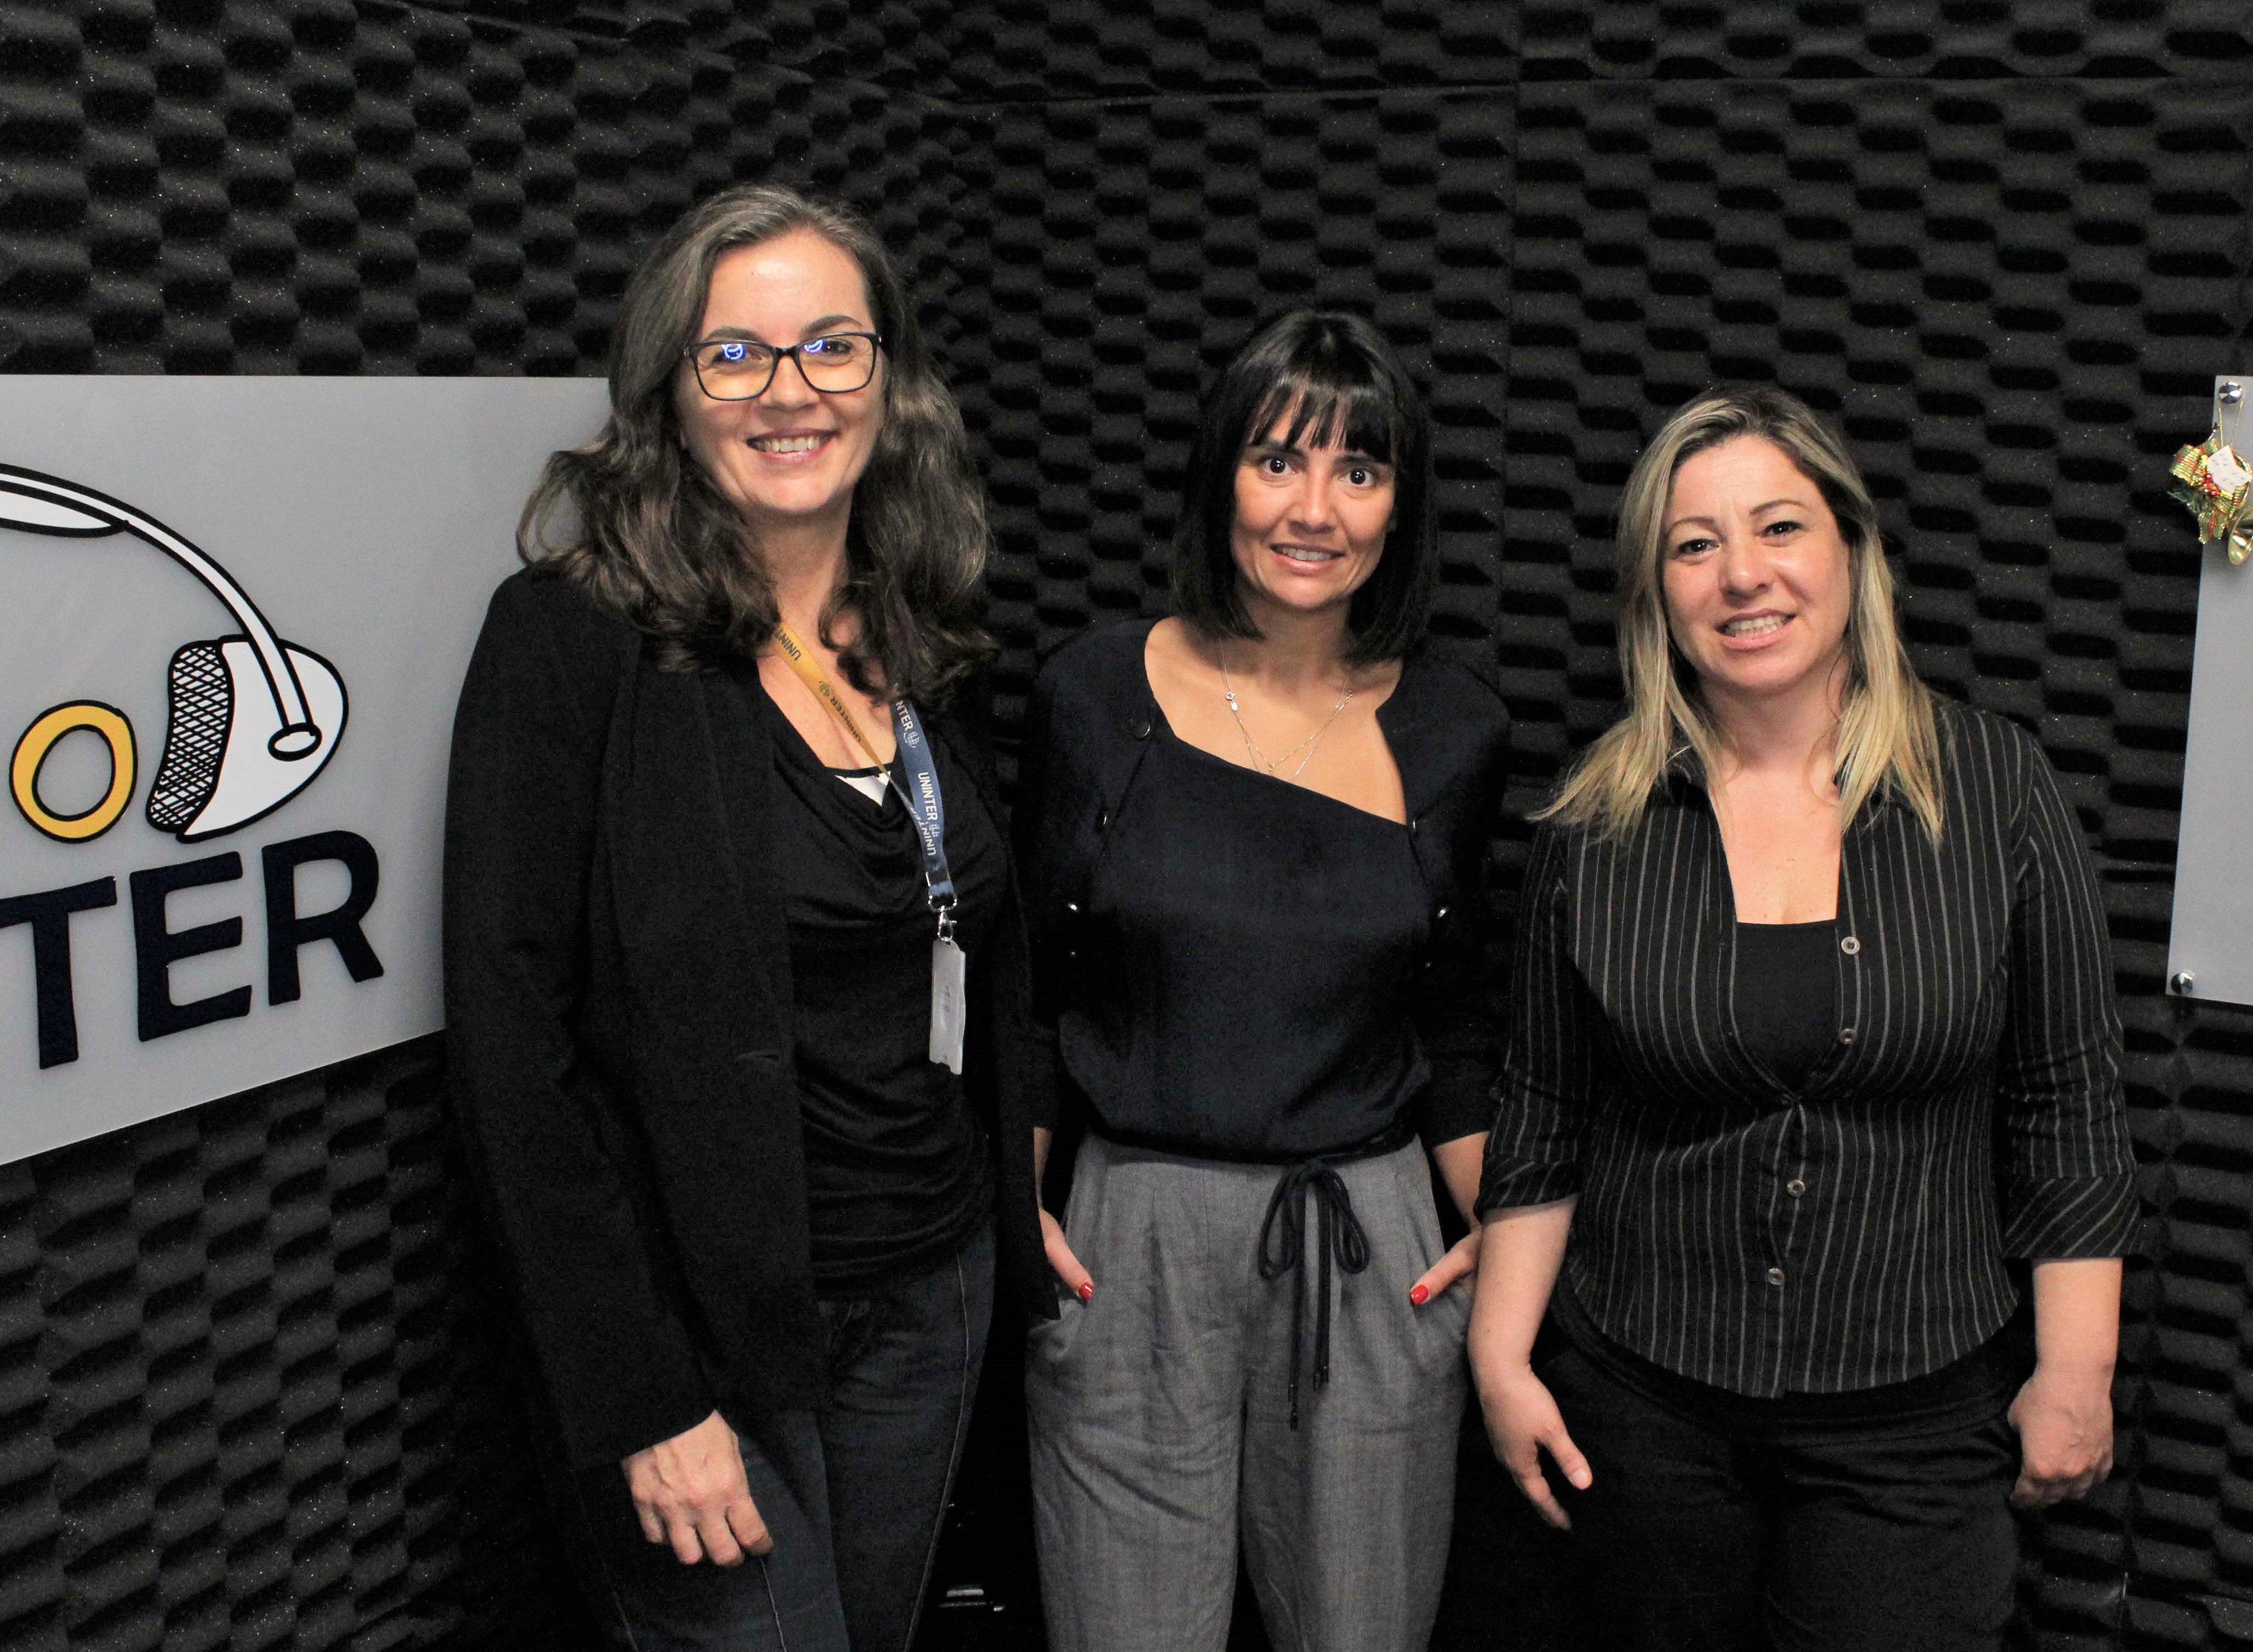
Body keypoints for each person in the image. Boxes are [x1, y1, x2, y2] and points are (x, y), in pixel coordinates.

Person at [442, 182, 1049, 1652]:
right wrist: (643, 1399)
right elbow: (517, 1056)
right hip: (707, 1343)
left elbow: (979, 946)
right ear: (671, 388)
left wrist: (1012, 1191)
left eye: (833, 346)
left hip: (931, 1288)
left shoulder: (923, 630)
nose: (791, 391)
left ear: (891, 382)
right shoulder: (573, 639)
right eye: (737, 355)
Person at [1468, 385, 2138, 1650]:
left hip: (1917, 1422)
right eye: (1695, 544)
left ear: (1853, 550)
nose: (1742, 575)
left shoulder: (1996, 789)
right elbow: (1544, 1110)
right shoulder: (1595, 822)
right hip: (1641, 1413)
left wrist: (2078, 1368)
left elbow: (2068, 1103)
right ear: (1656, 592)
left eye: (1779, 527)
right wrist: (1501, 1363)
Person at [1017, 310, 1511, 1652]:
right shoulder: (1092, 695)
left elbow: (1453, 1018)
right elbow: (1036, 988)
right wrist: (1022, 1205)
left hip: (1368, 1242)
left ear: (1401, 504)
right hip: (1133, 1238)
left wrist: (1503, 1234)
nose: (1315, 510)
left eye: (1360, 470)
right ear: (1218, 475)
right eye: (1278, 460)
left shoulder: (1457, 728)